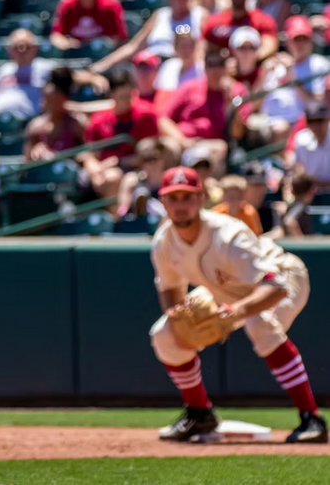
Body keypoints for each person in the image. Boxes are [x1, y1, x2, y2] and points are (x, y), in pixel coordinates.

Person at [149, 166, 326, 444]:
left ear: (201, 198)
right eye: (173, 198)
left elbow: (275, 287)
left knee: (259, 323)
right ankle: (200, 413)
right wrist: (176, 316)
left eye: (187, 197)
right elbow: (170, 289)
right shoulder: (164, 241)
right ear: (163, 202)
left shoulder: (228, 235)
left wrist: (236, 313)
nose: (180, 205)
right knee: (164, 335)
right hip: (225, 290)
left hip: (284, 276)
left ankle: (311, 418)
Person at [258, 16, 330, 127]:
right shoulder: (276, 64)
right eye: (296, 39)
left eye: (304, 39)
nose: (300, 44)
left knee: (280, 128)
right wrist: (263, 75)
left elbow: (318, 103)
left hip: (301, 124)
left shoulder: (320, 65)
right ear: (287, 41)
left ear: (311, 41)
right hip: (266, 121)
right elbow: (254, 105)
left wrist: (292, 76)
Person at [165, 53, 252, 142]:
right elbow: (164, 119)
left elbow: (237, 133)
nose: (216, 71)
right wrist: (182, 141)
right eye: (211, 65)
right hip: (182, 139)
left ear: (227, 68)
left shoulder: (237, 91)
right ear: (205, 68)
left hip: (215, 144)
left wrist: (229, 100)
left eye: (220, 65)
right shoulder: (190, 88)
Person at [202, 0, 278, 59]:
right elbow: (203, 49)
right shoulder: (214, 22)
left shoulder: (262, 20)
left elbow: (269, 46)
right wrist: (223, 61)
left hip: (252, 67)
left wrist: (244, 60)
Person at [0, 29, 53, 119]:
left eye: (26, 46)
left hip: (29, 121)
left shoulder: (45, 68)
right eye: (17, 47)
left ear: (35, 48)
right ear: (9, 50)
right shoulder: (3, 70)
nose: (22, 50)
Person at [23, 66, 85, 161]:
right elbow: (26, 163)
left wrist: (58, 156)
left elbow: (88, 156)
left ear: (64, 99)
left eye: (51, 100)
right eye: (44, 98)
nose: (43, 103)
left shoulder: (77, 125)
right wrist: (34, 154)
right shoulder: (35, 127)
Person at [116, 137, 169, 218]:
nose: (152, 163)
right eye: (146, 160)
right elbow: (122, 209)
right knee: (140, 192)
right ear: (140, 162)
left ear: (163, 157)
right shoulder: (132, 180)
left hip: (166, 221)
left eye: (155, 157)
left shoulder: (171, 179)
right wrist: (122, 212)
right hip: (140, 222)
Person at [154, 26, 204, 109]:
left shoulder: (202, 69)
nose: (186, 50)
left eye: (189, 46)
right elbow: (160, 95)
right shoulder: (168, 65)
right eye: (182, 46)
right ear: (175, 48)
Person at [291, 100, 330, 188]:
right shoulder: (301, 139)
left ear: (327, 119)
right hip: (311, 191)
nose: (316, 126)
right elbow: (298, 169)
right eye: (311, 121)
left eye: (319, 120)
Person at [283, 172, 317, 237]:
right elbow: (289, 221)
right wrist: (301, 241)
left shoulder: (296, 205)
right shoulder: (299, 205)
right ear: (310, 190)